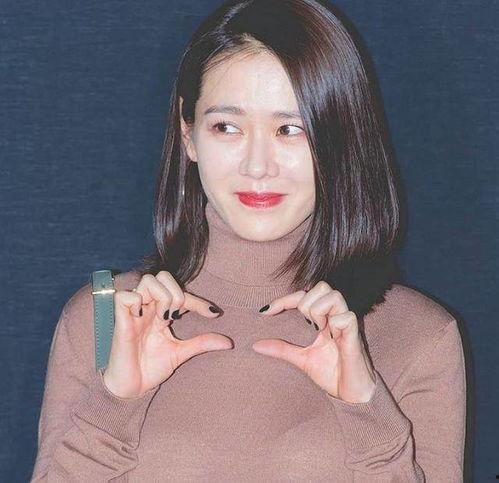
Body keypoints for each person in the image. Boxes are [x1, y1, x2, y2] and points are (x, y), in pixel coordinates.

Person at [31, 0, 466, 481]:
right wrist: (115, 404)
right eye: (227, 127)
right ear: (188, 134)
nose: (258, 166)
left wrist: (367, 412)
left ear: (340, 137)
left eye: (291, 129)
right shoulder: (104, 319)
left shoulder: (420, 337)